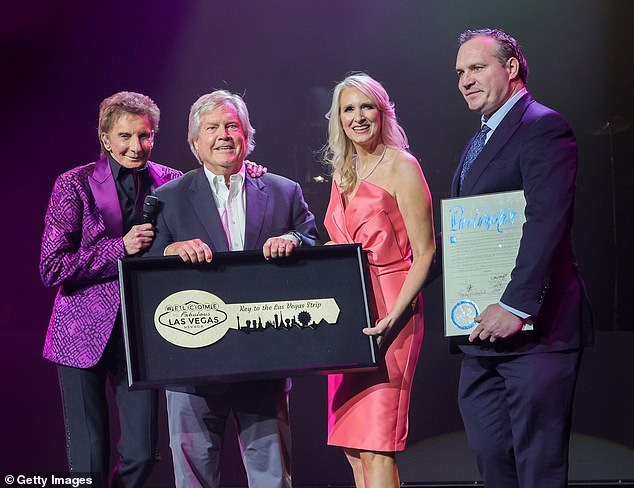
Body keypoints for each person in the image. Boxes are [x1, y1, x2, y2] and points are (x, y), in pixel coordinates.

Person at [146, 89, 318, 488]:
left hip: (264, 358)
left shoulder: (282, 190)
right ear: (195, 142)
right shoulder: (167, 199)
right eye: (212, 128)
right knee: (194, 478)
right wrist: (171, 248)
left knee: (273, 475)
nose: (223, 135)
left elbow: (313, 240)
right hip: (190, 361)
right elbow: (144, 267)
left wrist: (293, 239)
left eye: (231, 126)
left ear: (246, 136)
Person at [451, 29, 594, 487]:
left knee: (538, 467)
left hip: (536, 330)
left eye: (477, 68)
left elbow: (546, 221)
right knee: (492, 460)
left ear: (511, 68)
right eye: (460, 73)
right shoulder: (481, 140)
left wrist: (515, 305)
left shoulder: (542, 126)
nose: (465, 81)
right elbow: (462, 233)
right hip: (481, 335)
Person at [39, 91, 183, 486]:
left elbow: (214, 193)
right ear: (104, 138)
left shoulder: (171, 181)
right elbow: (52, 268)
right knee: (88, 458)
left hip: (142, 334)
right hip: (80, 334)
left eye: (145, 136)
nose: (136, 146)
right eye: (125, 136)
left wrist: (250, 170)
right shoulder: (74, 184)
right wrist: (120, 248)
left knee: (142, 452)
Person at [322, 73, 435, 488]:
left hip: (392, 309)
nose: (358, 116)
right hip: (350, 312)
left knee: (377, 444)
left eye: (366, 106)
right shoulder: (343, 172)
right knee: (353, 448)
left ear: (382, 111)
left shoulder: (403, 166)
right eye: (348, 109)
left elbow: (424, 253)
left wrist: (394, 317)